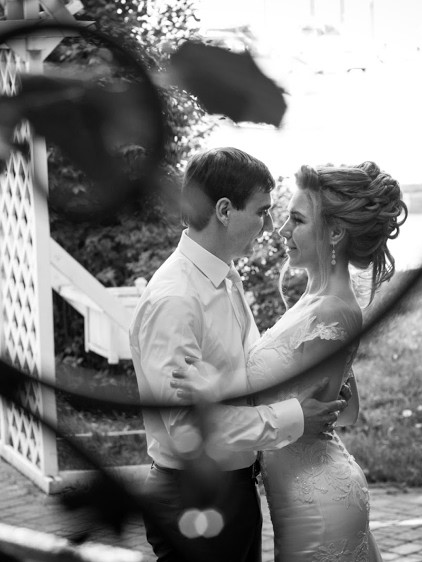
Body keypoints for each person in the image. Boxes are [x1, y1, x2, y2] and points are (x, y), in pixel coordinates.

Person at [172, 161, 408, 561]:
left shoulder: (333, 311)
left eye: (296, 220)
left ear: (335, 233)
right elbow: (344, 411)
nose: (281, 230)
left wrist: (213, 390)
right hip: (297, 492)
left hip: (317, 500)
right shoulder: (314, 300)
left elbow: (301, 412)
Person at [129, 147, 348, 562]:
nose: (271, 226)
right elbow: (186, 429)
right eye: (262, 211)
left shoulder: (224, 278)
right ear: (225, 211)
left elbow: (241, 377)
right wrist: (295, 418)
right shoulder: (176, 299)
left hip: (234, 492)